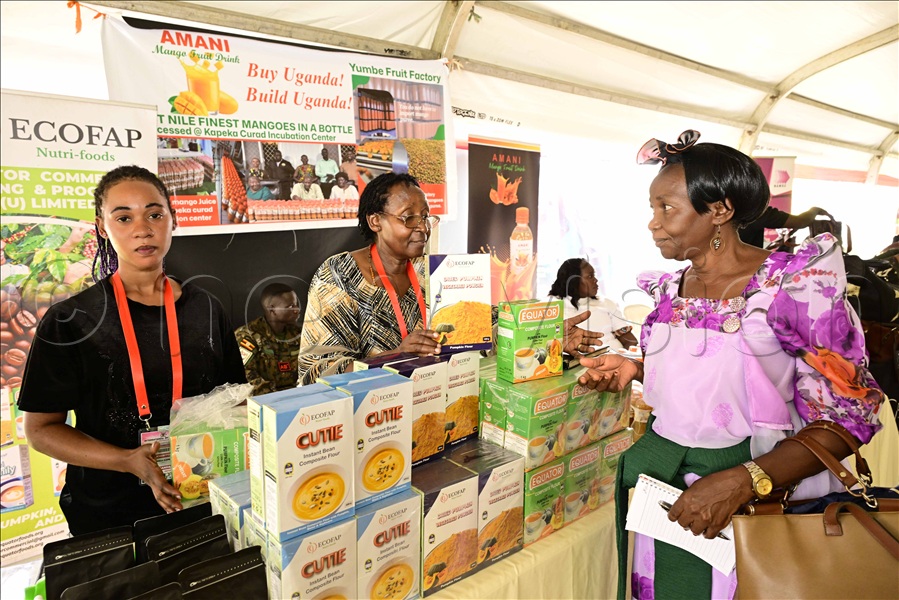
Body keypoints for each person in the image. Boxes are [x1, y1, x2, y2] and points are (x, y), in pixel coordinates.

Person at [578, 131, 884, 599]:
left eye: (666, 208)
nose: (652, 224)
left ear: (719, 211)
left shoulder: (792, 289)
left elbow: (849, 414)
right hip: (666, 492)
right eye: (652, 207)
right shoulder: (671, 290)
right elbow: (713, 369)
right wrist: (637, 368)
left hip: (756, 505)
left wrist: (746, 480)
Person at [17, 165, 246, 536]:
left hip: (203, 500)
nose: (143, 228)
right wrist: (127, 460)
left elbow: (234, 400)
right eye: (124, 217)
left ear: (172, 220)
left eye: (155, 214)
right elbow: (42, 430)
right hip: (110, 514)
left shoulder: (206, 307)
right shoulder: (71, 319)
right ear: (103, 227)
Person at [298, 172, 442, 384]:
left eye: (425, 216)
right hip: (368, 410)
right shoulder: (339, 276)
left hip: (429, 399)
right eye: (409, 217)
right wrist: (397, 356)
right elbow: (317, 373)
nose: (422, 227)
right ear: (375, 221)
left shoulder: (429, 271)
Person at [548, 257, 638, 350]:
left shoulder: (607, 303)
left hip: (617, 359)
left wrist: (626, 358)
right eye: (590, 276)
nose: (595, 280)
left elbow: (630, 341)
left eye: (594, 276)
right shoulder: (553, 308)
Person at [235, 283, 303, 395]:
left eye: (296, 305)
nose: (297, 310)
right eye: (290, 307)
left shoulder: (297, 333)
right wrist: (275, 397)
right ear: (272, 309)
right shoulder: (248, 336)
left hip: (297, 394)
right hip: (265, 398)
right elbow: (247, 377)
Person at [738, 204, 830, 249]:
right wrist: (814, 210)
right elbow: (801, 221)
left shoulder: (725, 209)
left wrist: (772, 247)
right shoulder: (755, 212)